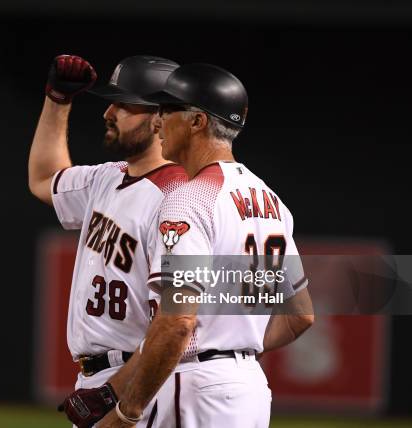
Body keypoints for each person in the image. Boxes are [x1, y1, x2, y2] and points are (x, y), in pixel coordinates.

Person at [96, 64, 314, 428]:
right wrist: (236, 352)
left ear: (197, 121)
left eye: (168, 110)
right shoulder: (272, 201)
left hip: (196, 387)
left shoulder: (190, 199)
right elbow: (301, 317)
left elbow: (178, 320)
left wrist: (126, 413)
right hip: (249, 388)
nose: (158, 121)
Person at [28, 54, 187, 427]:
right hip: (101, 378)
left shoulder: (181, 200)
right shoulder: (108, 178)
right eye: (110, 102)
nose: (108, 112)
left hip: (142, 384)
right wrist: (58, 101)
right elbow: (43, 178)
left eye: (124, 104)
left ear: (161, 118)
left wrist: (116, 391)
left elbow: (179, 322)